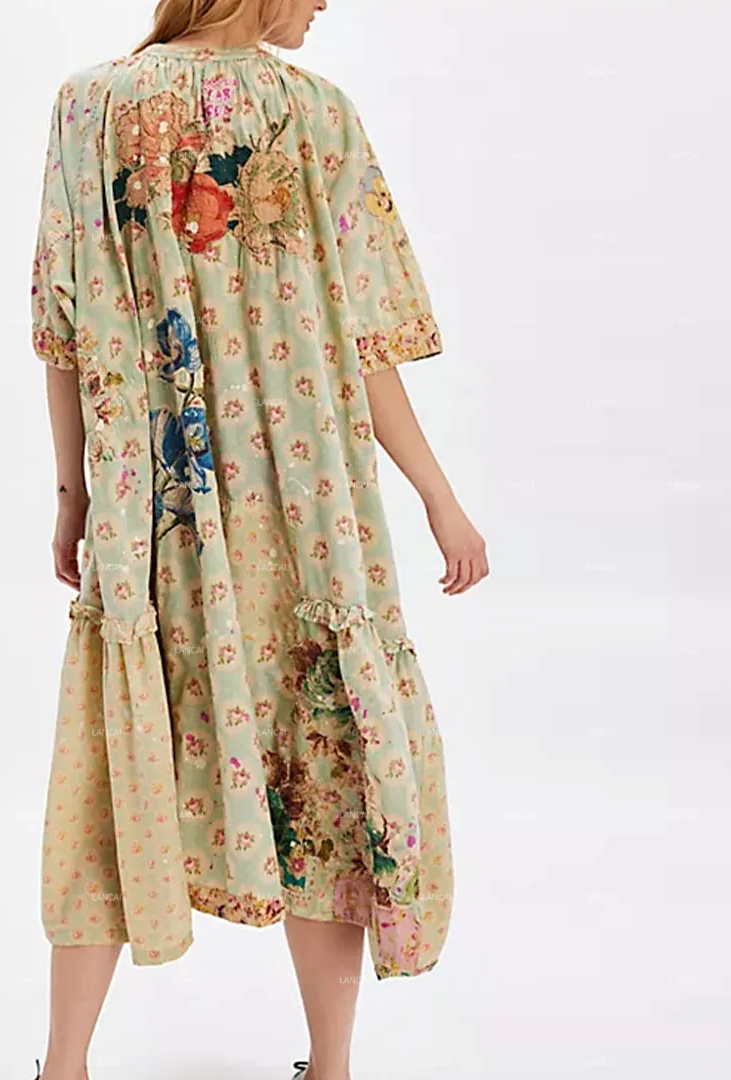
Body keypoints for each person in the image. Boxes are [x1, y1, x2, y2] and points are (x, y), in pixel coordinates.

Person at [29, 1, 488, 1077]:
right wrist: (435, 495)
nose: (327, 2)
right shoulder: (318, 116)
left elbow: (63, 325)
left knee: (120, 762)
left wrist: (75, 495)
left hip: (155, 500)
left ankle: (63, 1067)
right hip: (312, 506)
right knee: (331, 762)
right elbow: (363, 343)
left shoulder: (91, 105)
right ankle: (330, 1068)